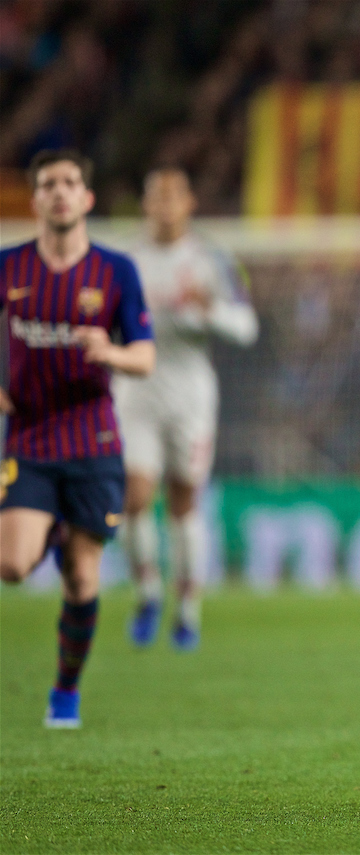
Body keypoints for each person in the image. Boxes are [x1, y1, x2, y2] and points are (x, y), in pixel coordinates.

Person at [0, 149, 155, 728]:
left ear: (86, 198)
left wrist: (109, 351)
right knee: (12, 566)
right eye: (48, 184)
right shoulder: (9, 266)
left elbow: (145, 355)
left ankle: (65, 691)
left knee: (83, 576)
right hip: (31, 439)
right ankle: (52, 531)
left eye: (70, 182)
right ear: (35, 199)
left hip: (92, 442)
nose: (60, 192)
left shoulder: (115, 271)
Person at [115, 167, 258, 651]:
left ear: (189, 203)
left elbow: (246, 327)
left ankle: (189, 609)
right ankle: (148, 590)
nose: (165, 205)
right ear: (145, 204)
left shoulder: (210, 260)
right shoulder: (124, 261)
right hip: (135, 389)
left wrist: (207, 312)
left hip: (190, 393)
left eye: (174, 195)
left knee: (183, 501)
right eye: (156, 196)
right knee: (134, 496)